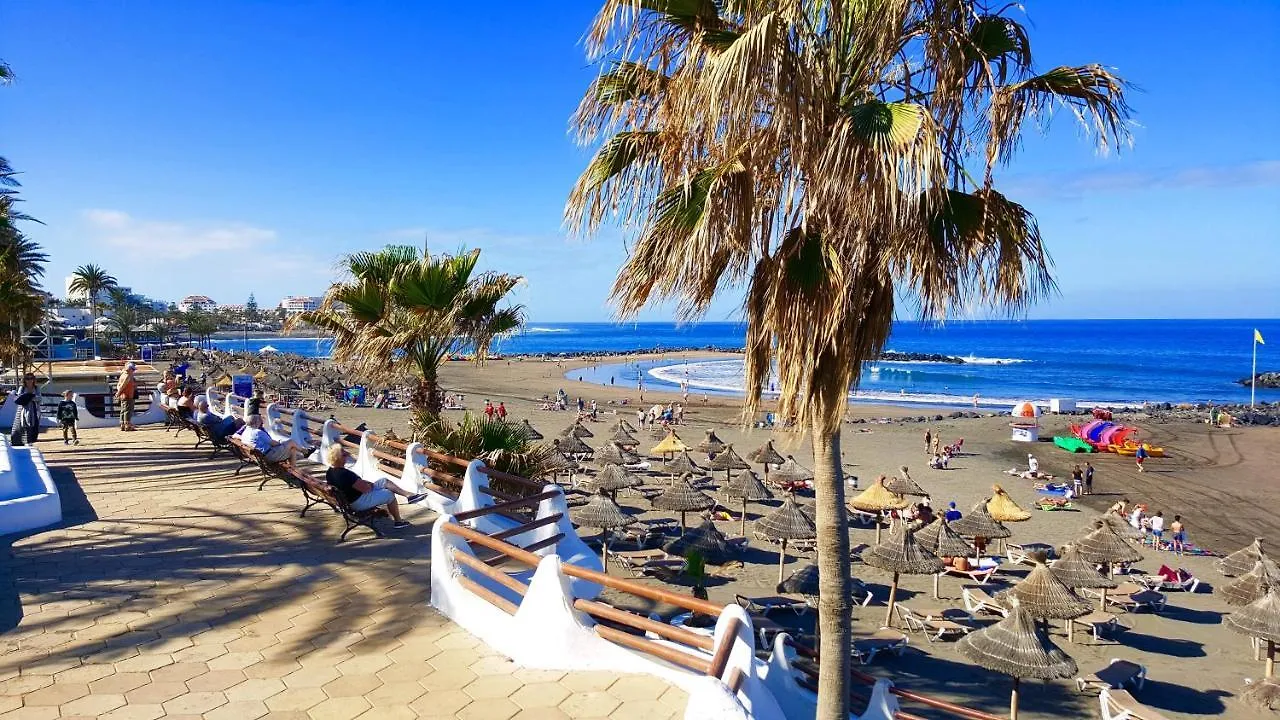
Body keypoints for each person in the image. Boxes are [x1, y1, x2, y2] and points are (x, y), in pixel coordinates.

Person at [325, 445, 425, 529]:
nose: (347, 455)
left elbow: (354, 485)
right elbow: (366, 489)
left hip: (349, 500)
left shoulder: (330, 472)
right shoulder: (344, 474)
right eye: (344, 454)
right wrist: (369, 485)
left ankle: (409, 495)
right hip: (358, 502)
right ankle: (398, 522)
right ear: (337, 458)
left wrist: (366, 483)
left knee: (384, 481)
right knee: (389, 494)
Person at [235, 415, 305, 467]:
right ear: (256, 423)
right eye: (260, 421)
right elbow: (273, 444)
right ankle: (305, 453)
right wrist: (280, 442)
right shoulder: (257, 432)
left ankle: (295, 468)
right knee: (291, 444)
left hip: (259, 457)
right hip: (268, 457)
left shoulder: (245, 432)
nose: (261, 423)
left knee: (291, 447)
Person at [9, 374, 42, 447]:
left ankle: (30, 441)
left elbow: (39, 398)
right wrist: (29, 397)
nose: (29, 380)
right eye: (27, 379)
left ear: (33, 379)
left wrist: (29, 397)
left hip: (34, 409)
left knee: (33, 425)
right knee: (20, 425)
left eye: (31, 378)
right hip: (22, 409)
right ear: (25, 380)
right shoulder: (22, 388)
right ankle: (18, 441)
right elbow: (19, 397)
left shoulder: (36, 388)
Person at [115, 363, 138, 431]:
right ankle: (127, 425)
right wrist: (118, 392)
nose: (133, 371)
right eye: (133, 369)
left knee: (123, 410)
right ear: (130, 369)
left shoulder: (122, 375)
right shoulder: (127, 376)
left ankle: (122, 425)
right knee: (127, 410)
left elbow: (118, 385)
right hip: (128, 395)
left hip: (123, 395)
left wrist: (119, 391)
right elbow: (123, 385)